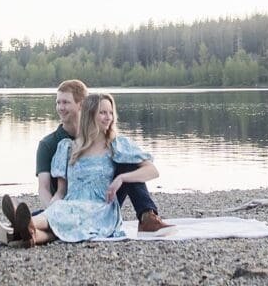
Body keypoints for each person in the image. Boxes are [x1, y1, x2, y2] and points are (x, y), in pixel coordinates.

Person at [0, 92, 164, 246]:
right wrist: (52, 206)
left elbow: (152, 171)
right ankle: (28, 235)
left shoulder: (117, 145)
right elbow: (61, 191)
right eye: (103, 112)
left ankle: (23, 225)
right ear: (89, 115)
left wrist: (121, 179)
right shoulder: (67, 147)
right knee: (59, 214)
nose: (108, 117)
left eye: (110, 112)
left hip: (100, 209)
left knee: (63, 214)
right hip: (71, 205)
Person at [35, 79, 169, 232]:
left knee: (128, 160)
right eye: (58, 102)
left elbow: (151, 170)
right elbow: (45, 188)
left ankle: (147, 216)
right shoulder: (53, 144)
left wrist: (121, 178)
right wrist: (53, 210)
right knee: (48, 217)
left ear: (82, 106)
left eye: (65, 102)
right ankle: (24, 227)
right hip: (68, 202)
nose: (60, 108)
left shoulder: (114, 143)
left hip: (104, 198)